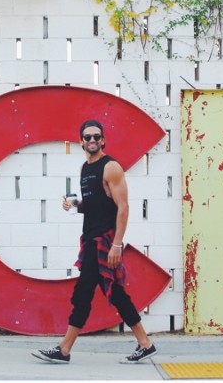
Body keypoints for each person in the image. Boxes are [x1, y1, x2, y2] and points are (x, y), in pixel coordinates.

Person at [32, 119, 156, 365]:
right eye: (87, 137)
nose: (92, 141)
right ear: (81, 142)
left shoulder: (111, 167)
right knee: (117, 294)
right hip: (90, 239)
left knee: (83, 293)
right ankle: (145, 344)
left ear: (103, 140)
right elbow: (97, 205)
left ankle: (64, 349)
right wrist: (76, 204)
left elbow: (123, 207)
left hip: (103, 242)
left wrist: (117, 244)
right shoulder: (84, 169)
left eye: (96, 137)